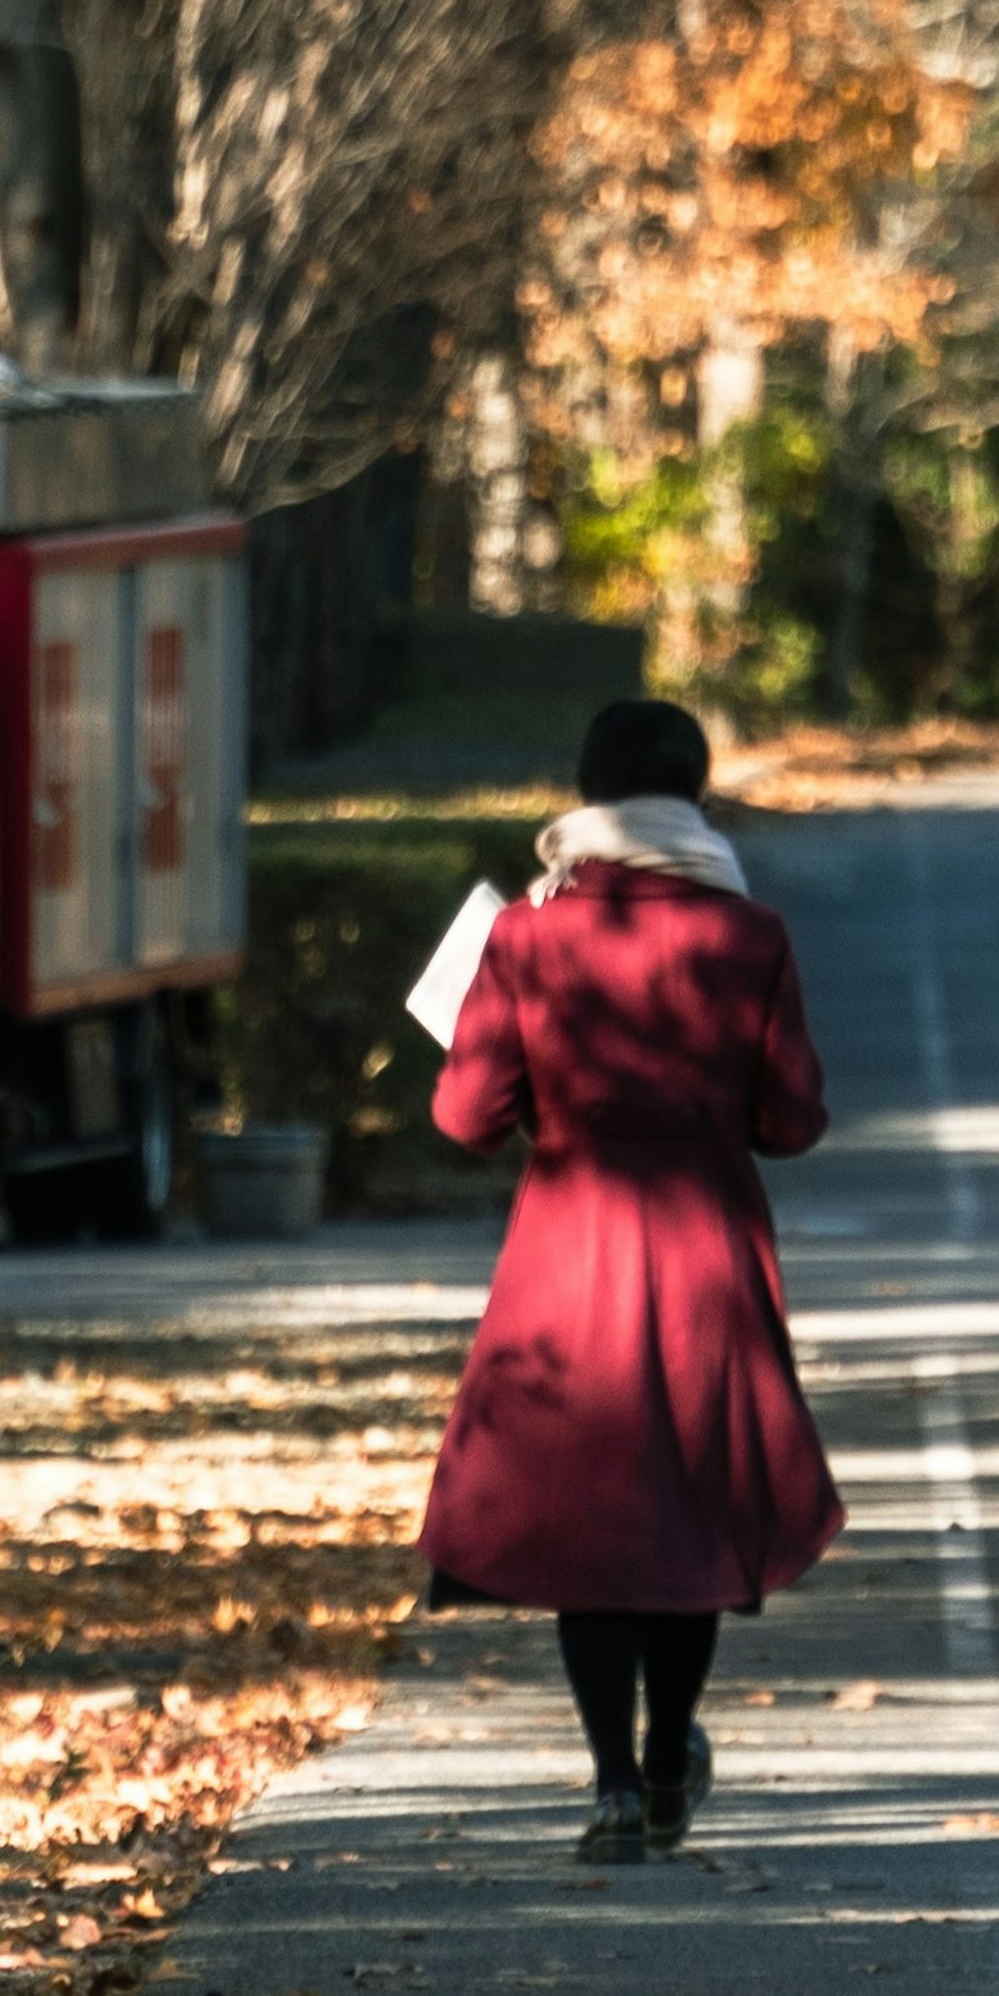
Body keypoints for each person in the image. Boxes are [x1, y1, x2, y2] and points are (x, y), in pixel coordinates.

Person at [416, 695, 843, 1857]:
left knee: (590, 1523)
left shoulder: (528, 938)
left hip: (565, 1256)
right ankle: (669, 1757)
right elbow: (793, 1120)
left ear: (590, 793)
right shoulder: (748, 938)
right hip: (707, 1256)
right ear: (694, 798)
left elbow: (464, 1117)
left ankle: (608, 1778)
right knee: (688, 1518)